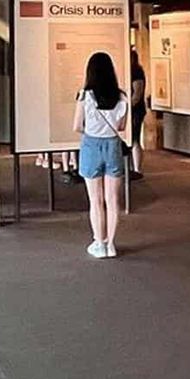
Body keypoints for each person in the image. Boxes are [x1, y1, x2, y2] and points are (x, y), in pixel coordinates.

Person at [73, 51, 128, 259]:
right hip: (112, 146)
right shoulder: (121, 96)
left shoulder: (85, 95)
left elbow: (77, 125)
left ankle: (99, 242)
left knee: (95, 200)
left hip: (91, 145)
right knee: (112, 200)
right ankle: (111, 243)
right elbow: (121, 126)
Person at [129, 48, 147, 180]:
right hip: (132, 109)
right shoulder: (133, 71)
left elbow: (137, 95)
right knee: (132, 140)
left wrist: (127, 107)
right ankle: (133, 167)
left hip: (135, 111)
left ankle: (137, 169)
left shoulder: (136, 72)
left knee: (134, 139)